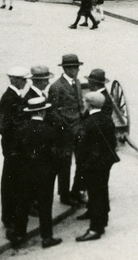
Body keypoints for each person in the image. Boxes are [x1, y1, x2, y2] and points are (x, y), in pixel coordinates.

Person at [10, 97, 63, 249]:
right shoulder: (50, 131)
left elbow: (13, 155)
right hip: (45, 176)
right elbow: (56, 156)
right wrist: (53, 172)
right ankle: (47, 237)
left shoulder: (20, 130)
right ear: (42, 111)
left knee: (23, 205)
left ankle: (19, 234)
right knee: (45, 206)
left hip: (25, 175)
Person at [74, 92, 120, 242]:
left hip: (92, 166)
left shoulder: (87, 123)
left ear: (89, 104)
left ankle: (95, 228)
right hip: (105, 163)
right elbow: (112, 143)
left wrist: (83, 165)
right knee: (102, 190)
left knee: (95, 195)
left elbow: (82, 148)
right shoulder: (107, 120)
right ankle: (103, 219)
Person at [49, 53, 86, 207]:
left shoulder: (77, 83)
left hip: (78, 129)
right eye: (71, 68)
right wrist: (65, 128)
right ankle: (64, 195)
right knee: (65, 165)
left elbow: (79, 104)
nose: (75, 70)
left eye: (76, 67)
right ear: (64, 68)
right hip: (64, 133)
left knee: (82, 161)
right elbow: (52, 111)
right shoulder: (57, 87)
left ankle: (76, 191)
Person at [0, 67, 30, 233]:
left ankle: (12, 215)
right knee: (10, 183)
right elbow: (5, 126)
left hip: (14, 147)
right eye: (23, 79)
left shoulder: (14, 96)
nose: (25, 82)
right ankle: (8, 217)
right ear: (14, 80)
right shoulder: (10, 98)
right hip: (12, 148)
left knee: (14, 182)